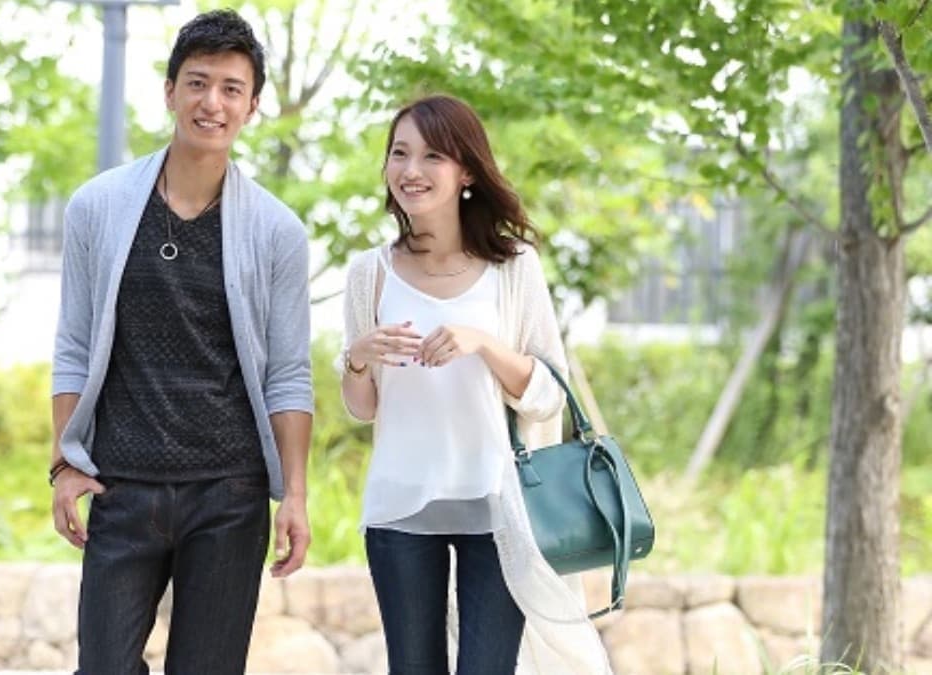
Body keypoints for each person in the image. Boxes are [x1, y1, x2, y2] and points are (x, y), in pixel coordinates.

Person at [48, 10, 313, 674]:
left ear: (251, 106)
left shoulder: (277, 232)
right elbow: (74, 346)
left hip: (228, 493)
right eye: (197, 83)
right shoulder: (97, 208)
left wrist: (296, 494)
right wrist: (63, 463)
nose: (211, 102)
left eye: (231, 88)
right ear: (170, 92)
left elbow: (288, 374)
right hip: (122, 485)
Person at [338, 94, 612, 674]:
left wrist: (483, 344)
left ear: (466, 172)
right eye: (399, 154)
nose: (411, 170)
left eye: (432, 156)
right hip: (400, 506)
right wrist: (357, 359)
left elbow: (549, 394)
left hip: (496, 505)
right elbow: (363, 409)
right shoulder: (369, 273)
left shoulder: (513, 267)